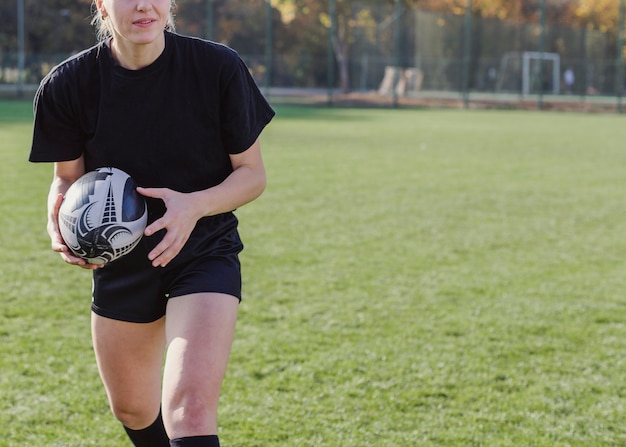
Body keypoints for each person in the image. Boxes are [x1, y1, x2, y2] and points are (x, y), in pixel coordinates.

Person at [29, 0, 274, 446]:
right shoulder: (68, 85)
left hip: (202, 249)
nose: (144, 5)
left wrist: (193, 206)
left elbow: (252, 175)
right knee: (133, 409)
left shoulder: (217, 68)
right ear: (102, 5)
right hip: (120, 262)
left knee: (190, 408)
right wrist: (57, 222)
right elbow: (66, 177)